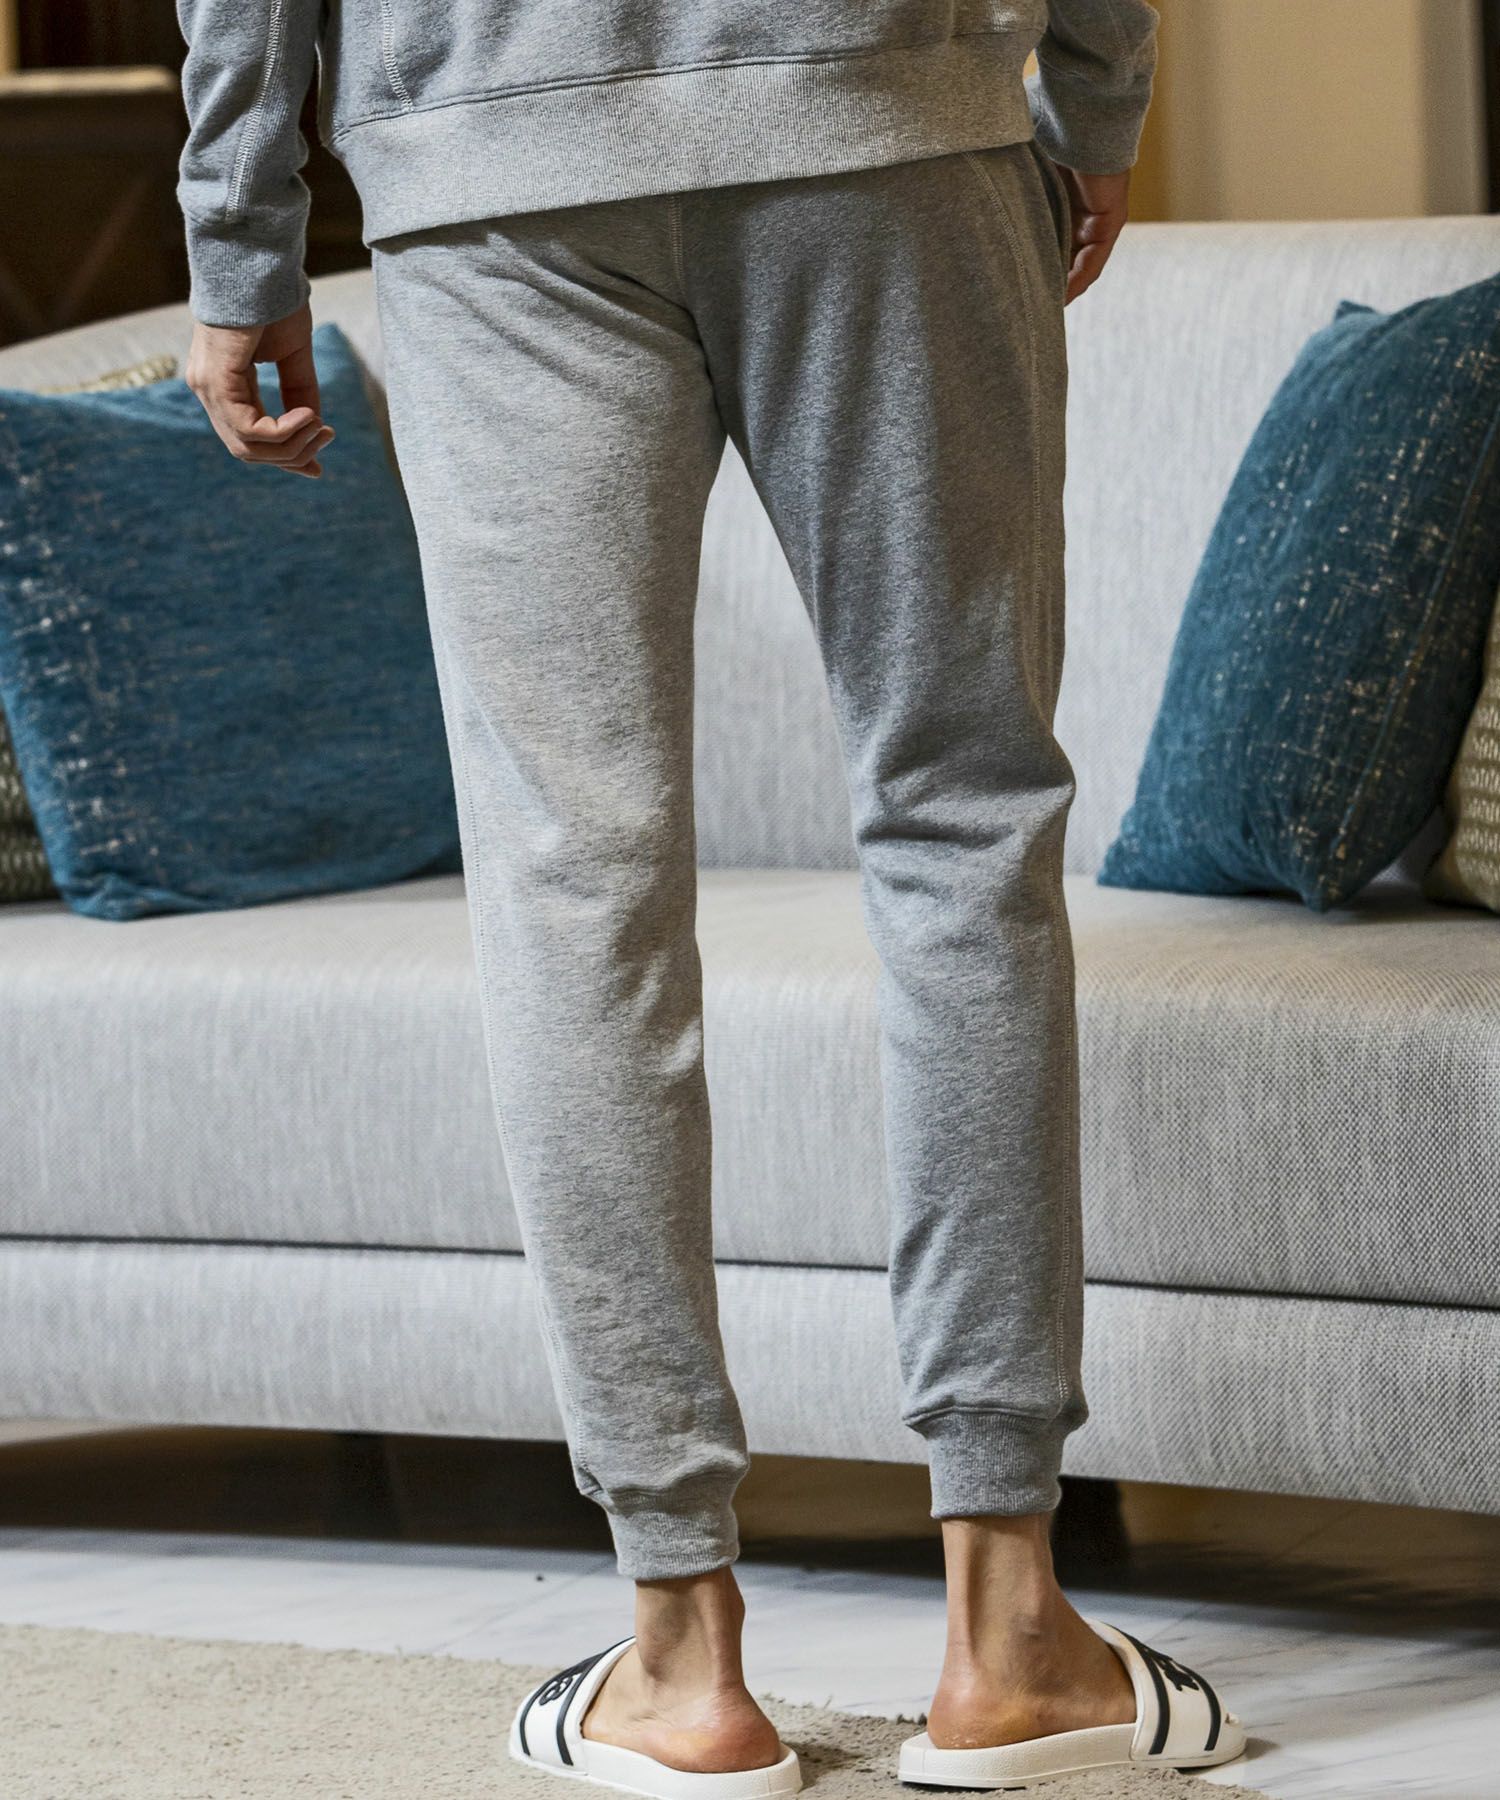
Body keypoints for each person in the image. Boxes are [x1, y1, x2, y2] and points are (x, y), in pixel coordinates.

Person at [175, 2, 1245, 1790]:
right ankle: (1010, 1638)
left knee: (573, 881)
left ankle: (681, 1667)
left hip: (488, 143)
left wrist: (239, 224)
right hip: (881, 101)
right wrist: (1096, 82)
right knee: (961, 825)